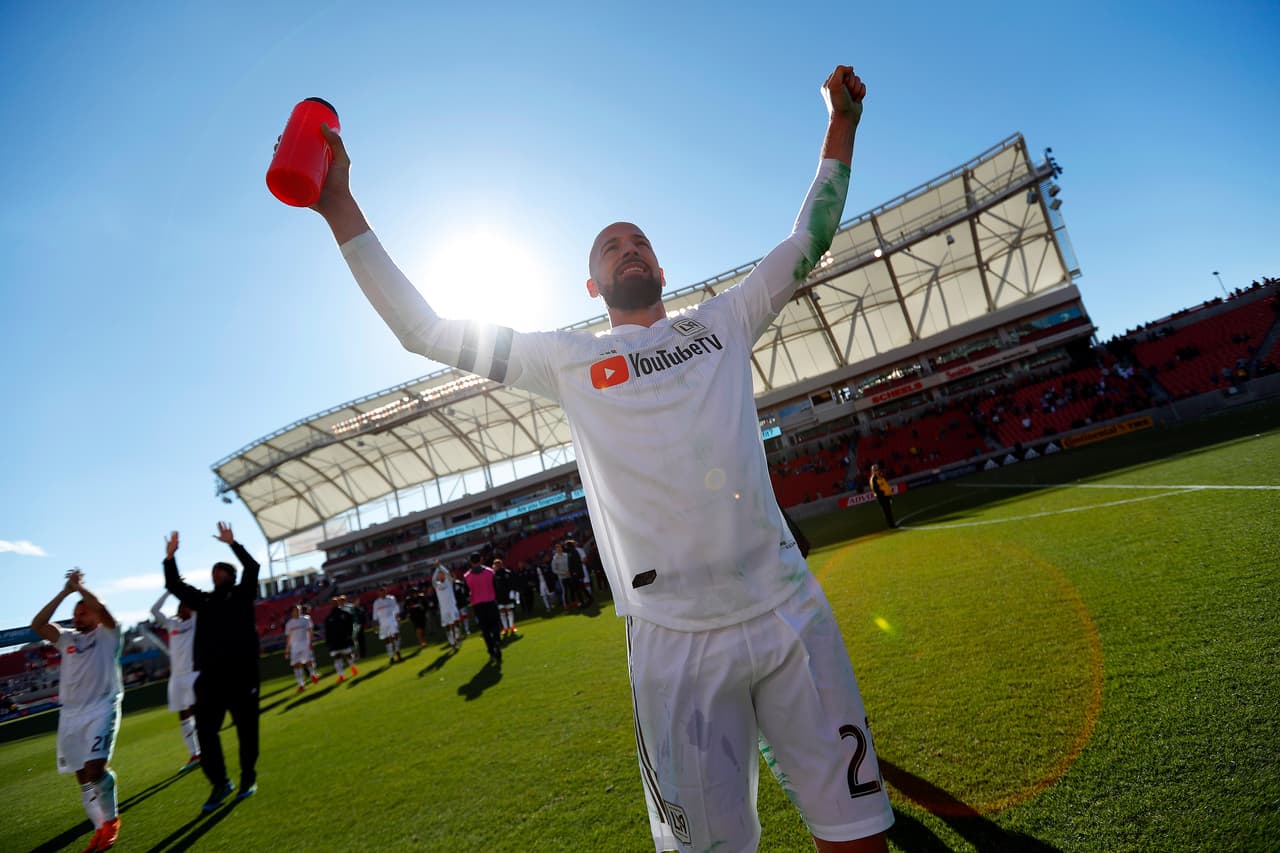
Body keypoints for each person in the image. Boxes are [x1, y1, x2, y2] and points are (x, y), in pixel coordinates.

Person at [307, 65, 890, 851]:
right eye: (612, 246)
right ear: (592, 284)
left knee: (857, 836)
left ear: (661, 268)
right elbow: (426, 331)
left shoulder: (723, 321)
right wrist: (339, 205)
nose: (629, 248)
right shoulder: (568, 359)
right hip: (673, 643)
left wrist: (841, 125)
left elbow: (806, 241)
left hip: (790, 612)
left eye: (639, 240)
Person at [163, 523, 261, 811]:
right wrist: (170, 558)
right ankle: (220, 783)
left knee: (247, 731)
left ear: (232, 576)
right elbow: (175, 586)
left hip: (242, 675)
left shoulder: (243, 594)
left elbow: (253, 566)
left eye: (221, 571)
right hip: (210, 678)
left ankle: (247, 778)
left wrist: (233, 544)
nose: (215, 574)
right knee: (205, 732)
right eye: (213, 571)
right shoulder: (204, 601)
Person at [32, 570, 122, 853]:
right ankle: (100, 829)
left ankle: (111, 821)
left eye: (83, 612)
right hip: (70, 715)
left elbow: (102, 609)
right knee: (83, 777)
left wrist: (81, 588)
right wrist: (65, 592)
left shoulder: (109, 633)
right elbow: (38, 624)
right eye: (75, 613)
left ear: (95, 615)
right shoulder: (67, 638)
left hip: (101, 708)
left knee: (95, 770)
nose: (77, 616)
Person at [149, 590, 202, 772]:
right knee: (183, 715)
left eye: (185, 605)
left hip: (193, 674)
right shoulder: (172, 624)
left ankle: (205, 749)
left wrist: (183, 590)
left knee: (197, 712)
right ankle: (194, 753)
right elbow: (154, 610)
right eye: (180, 605)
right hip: (177, 677)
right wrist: (169, 592)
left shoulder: (195, 621)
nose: (182, 608)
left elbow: (197, 606)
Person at [464, 553, 503, 665]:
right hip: (490, 602)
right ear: (481, 559)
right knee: (495, 624)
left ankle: (491, 651)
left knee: (485, 630)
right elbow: (496, 587)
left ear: (471, 562)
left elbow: (466, 593)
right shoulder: (490, 572)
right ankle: (496, 641)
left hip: (478, 605)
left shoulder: (467, 576)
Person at [283, 604, 320, 692]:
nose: (297, 611)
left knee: (308, 661)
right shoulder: (289, 624)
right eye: (296, 610)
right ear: (292, 612)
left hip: (304, 643)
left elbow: (310, 631)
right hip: (294, 646)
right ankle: (301, 684)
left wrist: (310, 642)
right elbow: (288, 637)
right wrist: (287, 649)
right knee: (296, 664)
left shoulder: (305, 619)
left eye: (299, 610)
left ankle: (312, 674)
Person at [323, 596, 358, 682]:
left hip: (344, 638)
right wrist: (328, 641)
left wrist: (350, 635)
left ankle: (353, 667)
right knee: (336, 657)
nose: (334, 604)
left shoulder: (345, 614)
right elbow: (327, 631)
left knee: (348, 654)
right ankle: (341, 675)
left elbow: (350, 624)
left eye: (335, 602)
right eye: (332, 602)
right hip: (334, 641)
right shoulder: (329, 618)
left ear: (338, 603)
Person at [432, 563, 462, 649]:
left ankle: (457, 637)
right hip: (444, 610)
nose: (441, 576)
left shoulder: (449, 582)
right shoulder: (436, 585)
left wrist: (440, 566)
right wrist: (437, 568)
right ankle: (452, 642)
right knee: (448, 627)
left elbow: (448, 573)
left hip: (452, 606)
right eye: (439, 575)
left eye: (442, 574)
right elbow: (433, 579)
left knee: (456, 622)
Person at [371, 586, 403, 664]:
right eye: (380, 592)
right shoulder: (376, 602)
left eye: (383, 591)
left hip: (392, 619)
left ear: (386, 592)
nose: (382, 593)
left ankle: (398, 652)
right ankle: (391, 656)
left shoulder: (391, 599)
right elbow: (375, 615)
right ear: (378, 593)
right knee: (386, 639)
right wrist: (375, 627)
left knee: (396, 635)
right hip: (382, 622)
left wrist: (398, 619)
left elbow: (396, 609)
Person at [493, 558, 518, 638]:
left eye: (498, 564)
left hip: (507, 595)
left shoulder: (507, 572)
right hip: (499, 596)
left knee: (509, 610)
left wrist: (513, 591)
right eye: (495, 565)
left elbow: (513, 582)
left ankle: (512, 626)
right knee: (502, 611)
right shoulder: (493, 575)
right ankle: (505, 628)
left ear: (501, 564)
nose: (497, 566)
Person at [869, 464, 896, 529]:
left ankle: (892, 524)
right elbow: (876, 490)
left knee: (889, 511)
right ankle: (891, 525)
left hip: (886, 496)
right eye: (875, 470)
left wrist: (889, 492)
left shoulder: (880, 476)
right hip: (882, 497)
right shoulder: (873, 479)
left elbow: (885, 485)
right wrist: (883, 493)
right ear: (872, 471)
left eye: (877, 469)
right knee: (886, 511)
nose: (877, 471)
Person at [550, 542, 574, 609]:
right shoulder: (554, 558)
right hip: (562, 577)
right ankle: (565, 604)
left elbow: (570, 563)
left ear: (562, 548)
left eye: (560, 547)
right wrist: (563, 573)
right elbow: (554, 570)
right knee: (565, 591)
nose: (559, 549)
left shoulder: (566, 555)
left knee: (572, 589)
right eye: (557, 548)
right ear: (555, 550)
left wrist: (570, 571)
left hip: (570, 575)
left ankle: (574, 602)